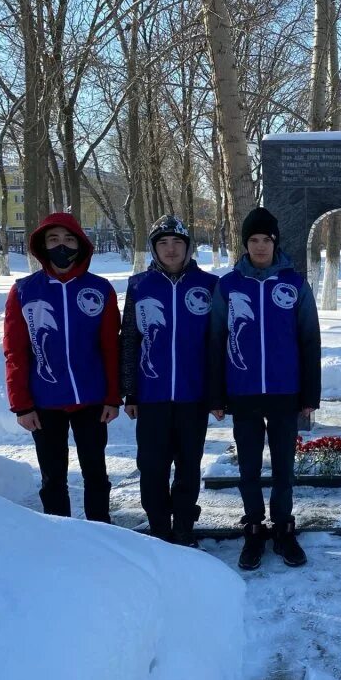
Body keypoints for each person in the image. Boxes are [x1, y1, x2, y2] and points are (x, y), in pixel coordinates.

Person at [208, 207, 320, 570]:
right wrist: (218, 394)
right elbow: (216, 340)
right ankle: (254, 527)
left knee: (284, 466)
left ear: (275, 243)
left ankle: (284, 527)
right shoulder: (228, 285)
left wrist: (309, 396)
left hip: (285, 392)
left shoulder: (294, 284)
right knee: (250, 468)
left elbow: (309, 340)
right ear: (245, 244)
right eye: (253, 240)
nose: (259, 246)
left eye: (265, 240)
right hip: (243, 392)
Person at [3, 213, 121, 522]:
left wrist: (112, 396)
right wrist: (22, 405)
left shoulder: (100, 289)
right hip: (44, 402)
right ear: (42, 246)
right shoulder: (24, 291)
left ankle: (101, 532)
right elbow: (15, 351)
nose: (62, 246)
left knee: (96, 472)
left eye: (69, 239)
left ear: (81, 245)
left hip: (92, 400)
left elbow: (111, 347)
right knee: (53, 477)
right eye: (53, 239)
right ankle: (61, 535)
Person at [120, 215, 218, 546]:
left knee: (189, 464)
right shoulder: (138, 285)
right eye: (163, 243)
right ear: (154, 249)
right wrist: (130, 391)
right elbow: (130, 340)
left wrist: (217, 393)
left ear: (188, 247)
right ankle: (159, 527)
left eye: (177, 242)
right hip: (152, 395)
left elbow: (217, 344)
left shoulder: (209, 286)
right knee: (152, 466)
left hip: (194, 394)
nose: (171, 249)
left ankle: (184, 526)